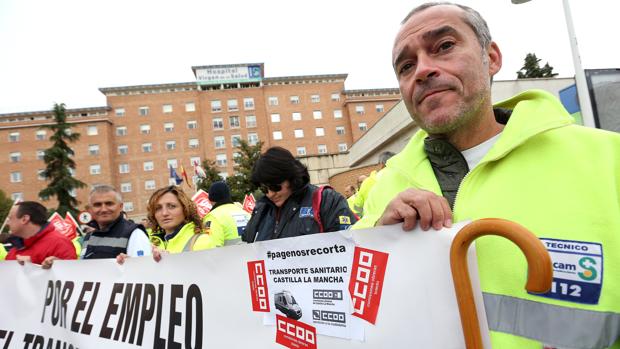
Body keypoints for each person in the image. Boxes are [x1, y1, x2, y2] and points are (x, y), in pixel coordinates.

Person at [354, 3, 620, 348]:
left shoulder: (608, 161)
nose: (422, 70)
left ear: (491, 57)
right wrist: (381, 244)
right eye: (406, 66)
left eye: (444, 46)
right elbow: (349, 308)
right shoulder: (386, 186)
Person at [242, 147, 357, 242]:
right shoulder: (261, 210)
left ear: (291, 178)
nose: (270, 194)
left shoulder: (327, 200)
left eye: (275, 186)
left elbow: (349, 247)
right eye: (264, 189)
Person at [80, 185, 151, 259]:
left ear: (121, 207)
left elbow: (142, 268)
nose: (103, 209)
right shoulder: (89, 236)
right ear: (90, 209)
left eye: (109, 204)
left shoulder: (134, 233)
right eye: (97, 205)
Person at [145, 186, 214, 260]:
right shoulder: (150, 244)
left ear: (185, 209)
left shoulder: (201, 241)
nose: (164, 213)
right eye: (158, 208)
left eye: (172, 206)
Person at [4, 201, 76, 265]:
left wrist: (33, 267)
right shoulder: (15, 248)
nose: (7, 223)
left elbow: (70, 275)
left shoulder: (59, 243)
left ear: (24, 219)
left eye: (10, 218)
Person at [202, 181, 250, 246]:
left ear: (210, 199)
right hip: (251, 255)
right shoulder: (246, 213)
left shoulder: (212, 217)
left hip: (228, 256)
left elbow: (211, 248)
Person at [352, 151, 395, 217]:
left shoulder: (367, 182)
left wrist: (362, 218)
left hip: (373, 224)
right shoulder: (404, 177)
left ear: (381, 164)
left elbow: (357, 207)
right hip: (400, 222)